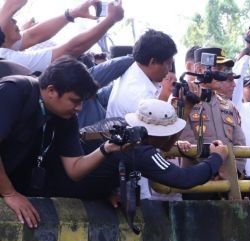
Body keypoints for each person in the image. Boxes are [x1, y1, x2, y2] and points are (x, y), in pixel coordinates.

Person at [0, 57, 124, 227]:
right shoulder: (14, 91)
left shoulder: (65, 117)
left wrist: (106, 148)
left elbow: (74, 169)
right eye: (75, 100)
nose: (79, 108)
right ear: (51, 91)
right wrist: (9, 193)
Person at [82, 99, 229, 200]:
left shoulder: (120, 128)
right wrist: (217, 158)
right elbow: (184, 179)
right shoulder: (140, 149)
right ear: (159, 134)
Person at [0, 0, 124, 73]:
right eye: (11, 19)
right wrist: (110, 20)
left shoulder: (5, 46)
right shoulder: (7, 58)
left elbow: (33, 35)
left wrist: (73, 13)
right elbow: (70, 50)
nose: (16, 21)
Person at [179, 47, 246, 176]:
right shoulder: (183, 102)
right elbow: (186, 141)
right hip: (197, 181)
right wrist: (213, 170)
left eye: (224, 70)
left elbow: (240, 143)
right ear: (199, 70)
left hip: (229, 181)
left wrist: (233, 171)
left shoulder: (229, 105)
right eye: (218, 69)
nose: (223, 75)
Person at [105, 29, 177, 118]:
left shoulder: (135, 67)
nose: (170, 69)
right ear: (153, 62)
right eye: (168, 64)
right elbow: (167, 131)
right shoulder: (142, 101)